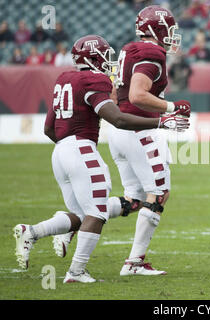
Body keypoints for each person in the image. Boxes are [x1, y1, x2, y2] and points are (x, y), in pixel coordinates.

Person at [12, 35, 189, 283]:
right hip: (81, 150)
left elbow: (49, 129)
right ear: (94, 57)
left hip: (60, 150)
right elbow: (117, 118)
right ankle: (76, 272)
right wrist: (161, 121)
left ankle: (32, 232)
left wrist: (68, 147)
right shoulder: (94, 79)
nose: (109, 62)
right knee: (96, 214)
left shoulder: (64, 78)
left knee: (88, 214)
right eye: (105, 56)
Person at [108, 5, 191, 276]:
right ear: (157, 28)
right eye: (168, 27)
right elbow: (137, 95)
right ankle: (134, 263)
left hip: (121, 130)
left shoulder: (129, 50)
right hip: (140, 131)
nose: (172, 34)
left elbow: (115, 94)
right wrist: (171, 108)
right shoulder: (152, 52)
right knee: (158, 194)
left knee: (134, 200)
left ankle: (72, 224)